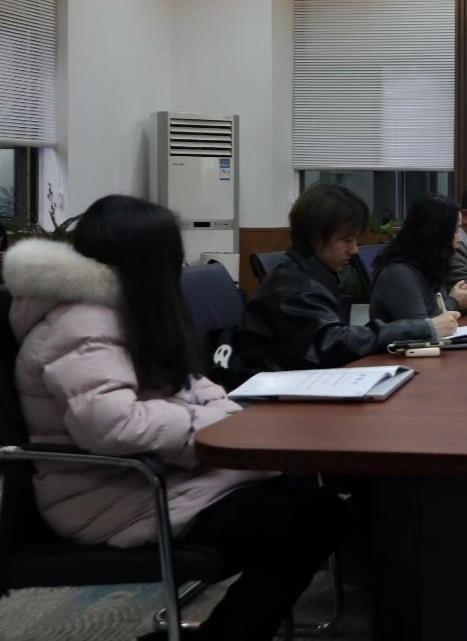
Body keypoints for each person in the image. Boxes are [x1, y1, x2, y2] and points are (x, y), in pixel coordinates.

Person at [2, 195, 348, 641]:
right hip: (115, 494)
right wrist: (212, 426)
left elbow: (190, 383)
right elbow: (113, 425)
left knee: (307, 499)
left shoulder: (122, 309)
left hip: (156, 475)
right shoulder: (80, 323)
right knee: (310, 519)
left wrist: (226, 416)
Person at [233, 182, 448, 377]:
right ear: (316, 238)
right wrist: (421, 328)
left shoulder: (314, 271)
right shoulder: (296, 287)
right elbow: (335, 342)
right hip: (273, 394)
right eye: (346, 240)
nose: (354, 250)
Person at [370, 195, 467, 323]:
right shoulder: (398, 274)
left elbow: (437, 313)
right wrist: (455, 302)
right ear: (437, 234)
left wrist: (460, 300)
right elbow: (423, 328)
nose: (459, 239)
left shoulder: (431, 264)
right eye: (455, 231)